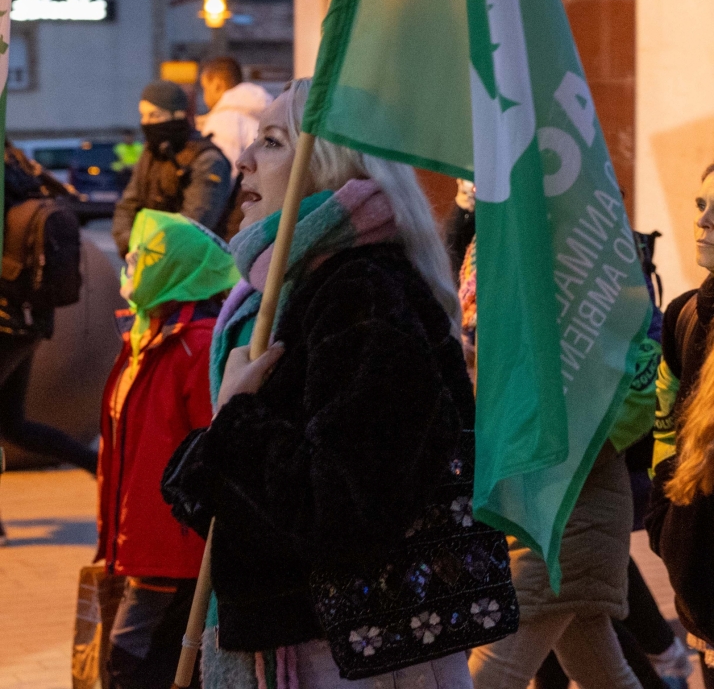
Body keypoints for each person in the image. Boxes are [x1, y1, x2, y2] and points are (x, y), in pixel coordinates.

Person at [161, 78, 518, 689]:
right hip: (311, 649)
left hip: (353, 657)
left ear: (332, 174)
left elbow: (346, 506)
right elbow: (251, 504)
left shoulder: (363, 291)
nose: (242, 158)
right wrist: (217, 442)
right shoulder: (289, 290)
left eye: (274, 142)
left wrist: (239, 419)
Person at [469, 284, 661, 687]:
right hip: (549, 519)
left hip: (563, 523)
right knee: (601, 669)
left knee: (493, 672)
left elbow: (609, 423)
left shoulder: (594, 305)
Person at [97, 208, 239, 689]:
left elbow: (214, 449)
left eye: (149, 254)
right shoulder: (148, 336)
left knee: (129, 663)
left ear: (177, 269)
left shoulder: (195, 345)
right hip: (139, 544)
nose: (133, 262)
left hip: (173, 549)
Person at [646, 162, 714, 689]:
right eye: (699, 205)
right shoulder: (685, 317)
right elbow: (665, 431)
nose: (704, 220)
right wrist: (666, 523)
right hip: (701, 604)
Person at [0, 142, 96, 488]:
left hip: (7, 319)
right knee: (12, 424)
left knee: (12, 423)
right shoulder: (20, 166)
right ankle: (102, 467)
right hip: (30, 318)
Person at [112, 80, 232, 258]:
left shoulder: (206, 159)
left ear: (178, 115)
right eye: (143, 116)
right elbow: (128, 205)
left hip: (194, 269)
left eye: (155, 115)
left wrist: (149, 249)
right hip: (149, 263)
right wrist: (129, 243)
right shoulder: (150, 154)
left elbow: (194, 224)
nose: (146, 123)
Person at [198, 56, 273, 178]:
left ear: (217, 85)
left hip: (244, 195)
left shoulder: (223, 120)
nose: (204, 97)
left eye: (205, 88)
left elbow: (222, 175)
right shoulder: (267, 113)